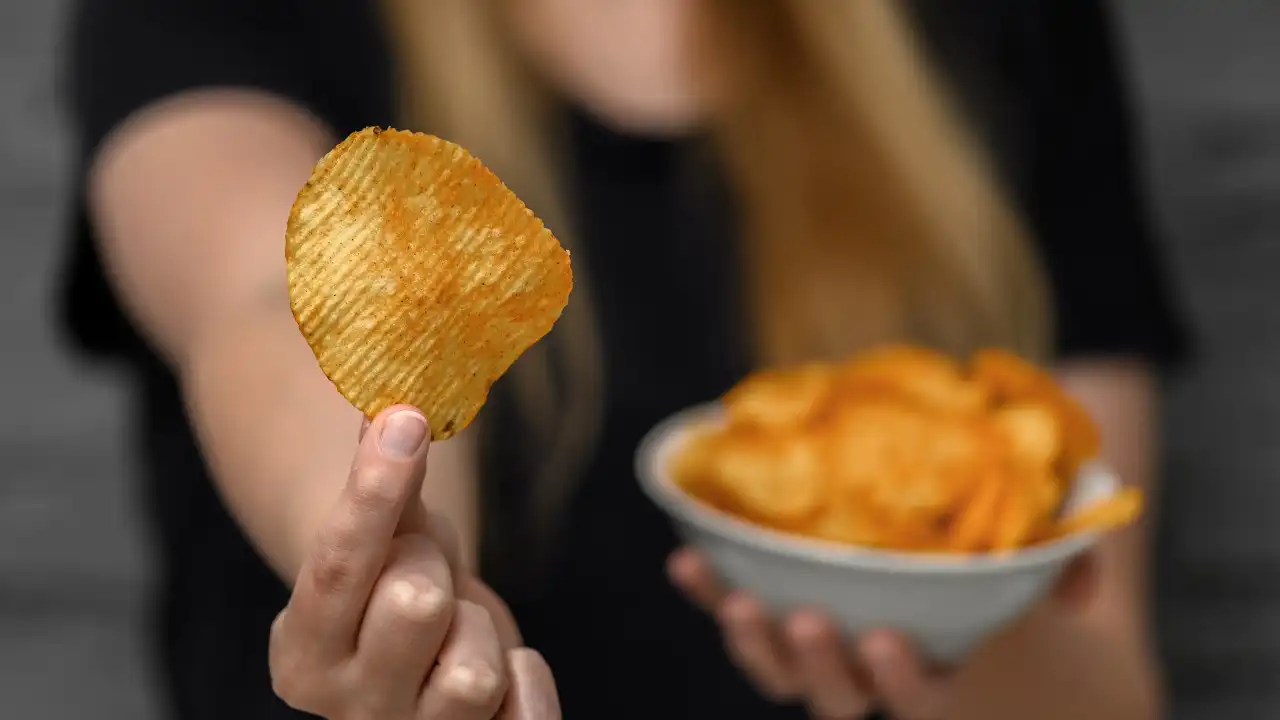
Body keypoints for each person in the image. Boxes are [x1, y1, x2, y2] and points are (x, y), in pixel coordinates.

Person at [60, 0, 1188, 718]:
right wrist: (392, 558)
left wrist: (957, 637)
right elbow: (262, 296)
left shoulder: (999, 28)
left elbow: (1106, 680)